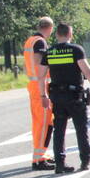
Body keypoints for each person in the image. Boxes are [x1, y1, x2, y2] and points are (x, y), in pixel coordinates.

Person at [36, 23, 90, 174]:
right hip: (75, 97)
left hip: (57, 97)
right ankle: (85, 160)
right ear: (70, 34)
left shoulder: (50, 52)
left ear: (57, 35)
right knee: (81, 129)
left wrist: (43, 95)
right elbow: (88, 72)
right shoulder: (76, 50)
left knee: (59, 131)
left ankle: (60, 164)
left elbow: (40, 76)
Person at [23, 17, 55, 170]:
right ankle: (39, 159)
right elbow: (40, 67)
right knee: (43, 123)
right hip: (40, 86)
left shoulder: (30, 40)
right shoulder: (40, 42)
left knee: (41, 122)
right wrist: (44, 93)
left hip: (34, 85)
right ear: (50, 28)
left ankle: (42, 154)